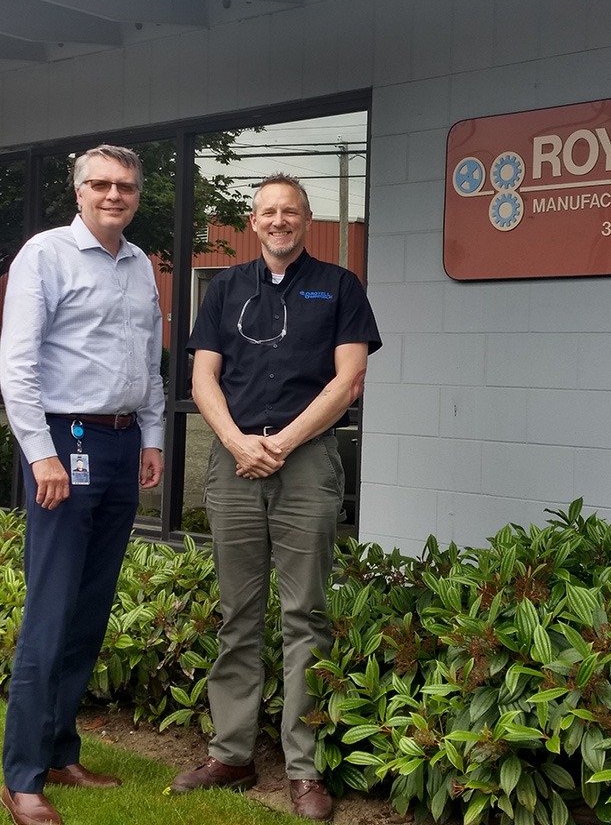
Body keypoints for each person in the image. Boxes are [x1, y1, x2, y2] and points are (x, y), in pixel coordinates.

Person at [169, 173, 381, 820]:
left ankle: (304, 767)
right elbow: (202, 376)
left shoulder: (340, 286)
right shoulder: (225, 288)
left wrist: (282, 443)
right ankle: (231, 753)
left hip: (307, 461)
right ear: (254, 222)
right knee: (238, 615)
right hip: (235, 463)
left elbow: (349, 379)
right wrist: (236, 442)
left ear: (305, 219)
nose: (279, 220)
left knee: (305, 617)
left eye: (290, 210)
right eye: (268, 211)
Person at [0, 145, 164, 825]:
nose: (113, 194)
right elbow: (17, 366)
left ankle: (62, 749)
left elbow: (151, 361)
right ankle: (23, 775)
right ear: (78, 190)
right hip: (66, 446)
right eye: (100, 183)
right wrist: (40, 454)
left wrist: (153, 438)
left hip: (123, 444)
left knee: (90, 609)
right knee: (50, 610)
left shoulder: (142, 264)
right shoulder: (45, 255)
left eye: (125, 185)